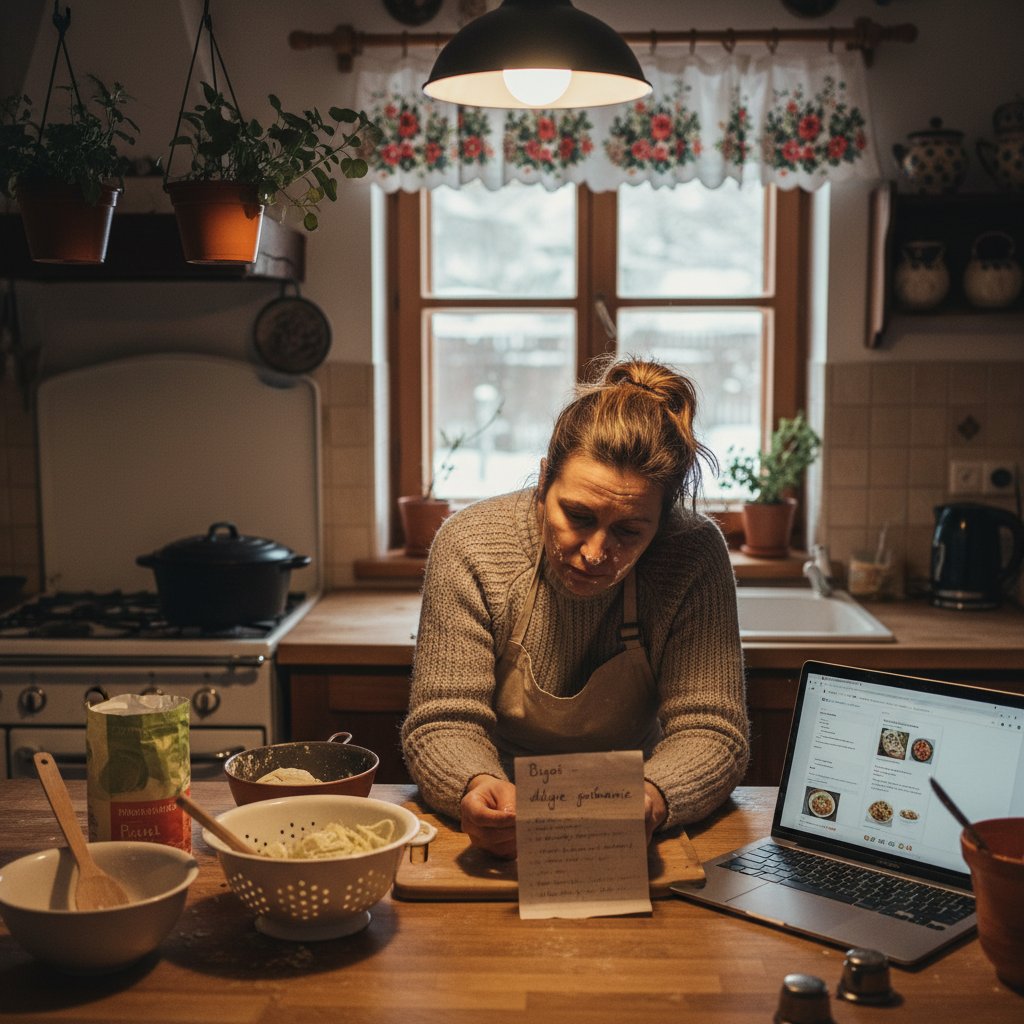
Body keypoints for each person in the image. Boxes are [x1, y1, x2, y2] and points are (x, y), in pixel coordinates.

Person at [401, 356, 749, 859]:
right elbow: (444, 720)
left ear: (663, 520)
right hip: (503, 809)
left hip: (634, 814)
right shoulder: (470, 547)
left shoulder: (691, 555)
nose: (595, 553)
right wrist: (473, 784)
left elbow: (711, 728)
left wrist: (653, 797)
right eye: (578, 516)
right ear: (545, 481)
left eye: (629, 531)